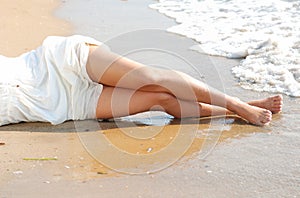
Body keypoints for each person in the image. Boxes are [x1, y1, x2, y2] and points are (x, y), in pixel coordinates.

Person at [0, 35, 282, 127]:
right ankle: (238, 109)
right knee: (160, 100)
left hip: (55, 64)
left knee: (151, 78)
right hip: (65, 105)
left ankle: (236, 103)